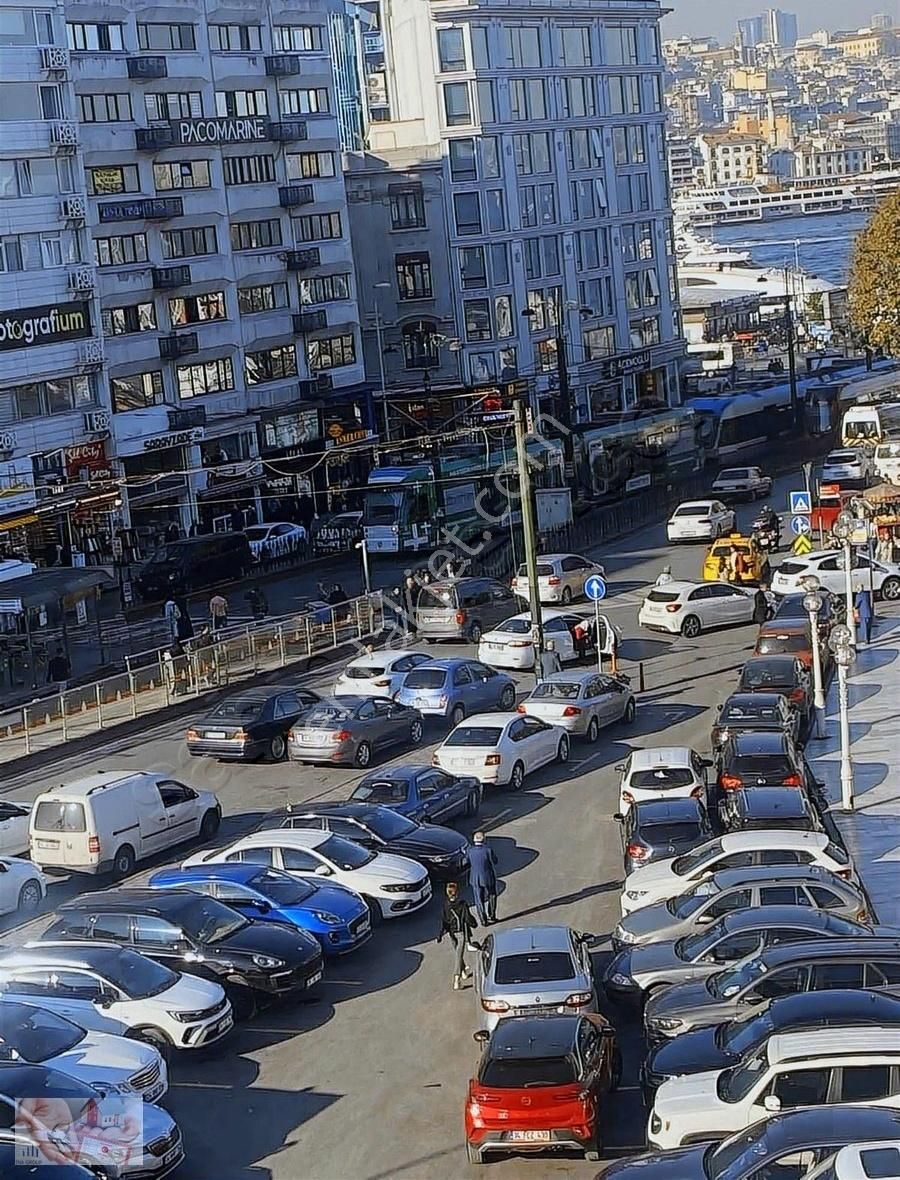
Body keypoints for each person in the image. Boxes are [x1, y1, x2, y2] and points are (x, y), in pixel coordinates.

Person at [437, 880, 478, 989]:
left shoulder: (446, 905)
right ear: (457, 893)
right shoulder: (462, 904)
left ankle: (464, 972)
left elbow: (444, 920)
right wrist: (474, 924)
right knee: (458, 955)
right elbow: (467, 917)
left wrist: (440, 934)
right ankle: (456, 978)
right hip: (461, 932)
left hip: (452, 933)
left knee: (458, 953)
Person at [468, 832, 499, 925]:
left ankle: (483, 919)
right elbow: (495, 861)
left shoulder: (470, 851)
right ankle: (492, 915)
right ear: (484, 840)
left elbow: (466, 861)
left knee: (478, 899)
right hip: (488, 877)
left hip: (475, 878)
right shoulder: (488, 850)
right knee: (492, 895)